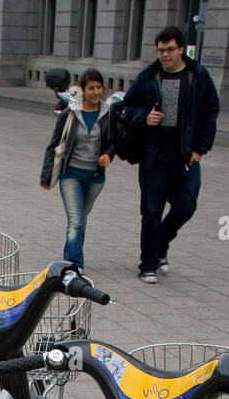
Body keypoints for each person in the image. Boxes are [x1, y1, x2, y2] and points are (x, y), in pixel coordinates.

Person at [122, 25, 219, 283]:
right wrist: (145, 117)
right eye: (161, 50)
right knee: (151, 211)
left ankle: (161, 242)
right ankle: (148, 264)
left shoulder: (198, 75)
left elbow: (211, 111)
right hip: (154, 157)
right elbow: (127, 107)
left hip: (186, 156)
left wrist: (200, 149)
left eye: (170, 50)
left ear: (181, 49)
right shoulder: (149, 76)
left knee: (186, 207)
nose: (165, 55)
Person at [39, 68, 116, 272]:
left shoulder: (108, 113)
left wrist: (109, 154)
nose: (95, 92)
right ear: (82, 89)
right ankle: (75, 264)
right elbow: (53, 144)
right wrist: (46, 177)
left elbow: (114, 141)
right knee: (75, 220)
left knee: (81, 219)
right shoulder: (70, 113)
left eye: (99, 87)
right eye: (91, 88)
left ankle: (69, 255)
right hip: (71, 174)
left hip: (95, 177)